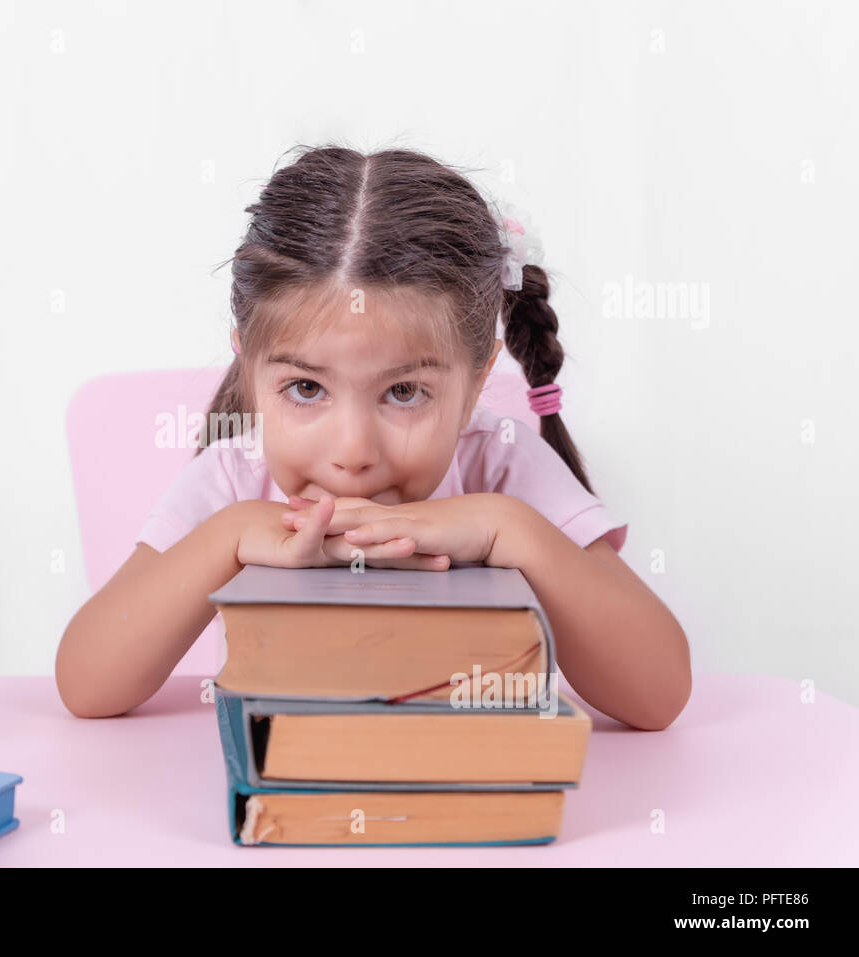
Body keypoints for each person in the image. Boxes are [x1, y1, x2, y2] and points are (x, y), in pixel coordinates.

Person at [56, 144, 690, 730]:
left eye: (404, 392)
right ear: (249, 370)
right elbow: (87, 685)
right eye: (306, 389)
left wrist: (509, 528)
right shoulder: (231, 481)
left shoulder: (500, 467)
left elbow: (658, 695)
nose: (354, 454)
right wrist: (226, 539)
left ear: (473, 386)